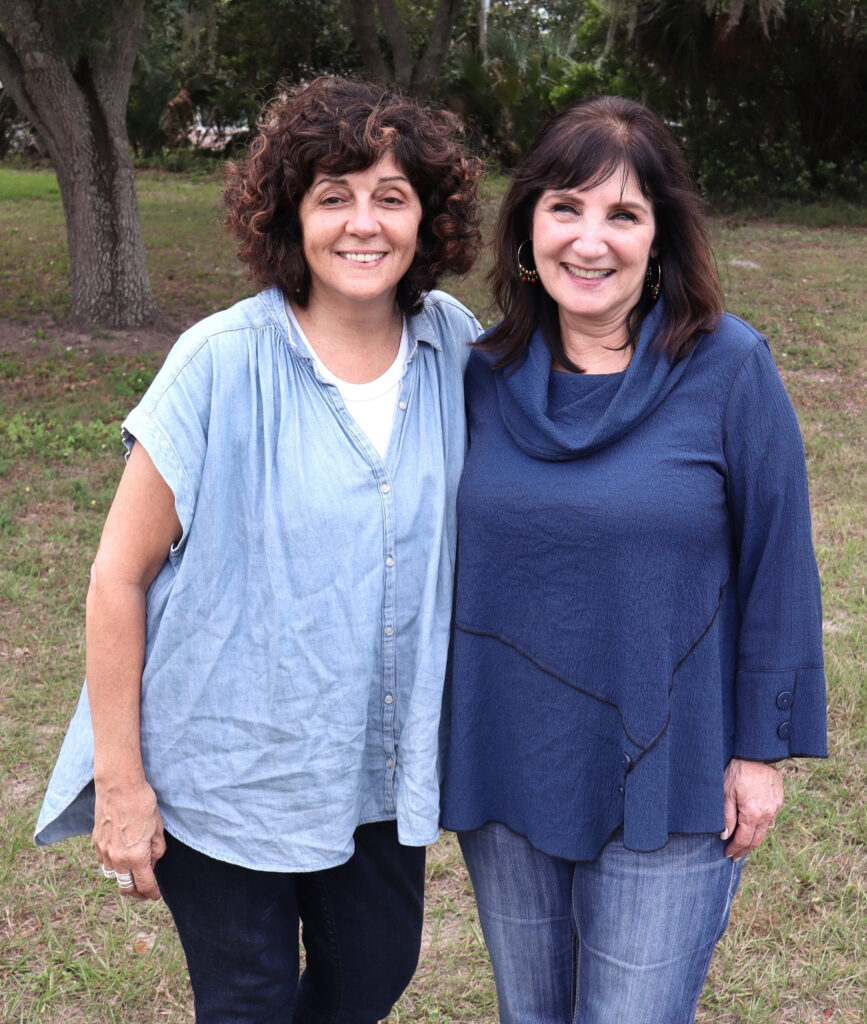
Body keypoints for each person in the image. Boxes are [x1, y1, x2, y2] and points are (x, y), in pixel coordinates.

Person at [36, 76, 482, 1023]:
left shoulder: (454, 346)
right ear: (290, 215)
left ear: (426, 217)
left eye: (390, 197)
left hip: (372, 764)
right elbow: (118, 576)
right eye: (333, 197)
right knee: (249, 1000)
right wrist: (122, 783)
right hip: (228, 768)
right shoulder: (218, 361)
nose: (363, 224)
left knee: (373, 974)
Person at [440, 95, 827, 1024]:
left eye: (622, 214)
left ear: (659, 239)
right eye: (565, 208)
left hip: (673, 764)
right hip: (509, 756)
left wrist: (759, 752)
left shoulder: (729, 368)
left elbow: (779, 563)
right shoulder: (477, 377)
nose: (590, 240)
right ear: (527, 229)